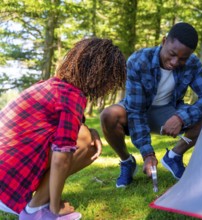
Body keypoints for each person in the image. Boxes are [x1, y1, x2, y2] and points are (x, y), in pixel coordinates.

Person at [0, 38, 126, 219]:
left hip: (5, 176)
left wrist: (94, 132)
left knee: (87, 135)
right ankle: (37, 210)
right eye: (111, 80)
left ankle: (39, 203)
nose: (110, 87)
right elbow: (61, 156)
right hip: (8, 189)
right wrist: (56, 206)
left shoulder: (53, 86)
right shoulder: (71, 96)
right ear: (100, 75)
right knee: (84, 139)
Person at [100, 22, 202, 188]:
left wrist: (181, 117)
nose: (175, 62)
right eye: (172, 54)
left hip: (167, 110)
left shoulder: (193, 63)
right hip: (137, 109)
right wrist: (147, 153)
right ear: (164, 41)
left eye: (182, 58)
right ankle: (127, 161)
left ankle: (174, 156)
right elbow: (136, 111)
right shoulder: (138, 61)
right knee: (108, 115)